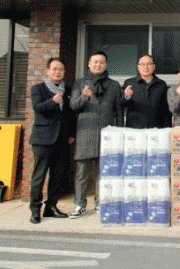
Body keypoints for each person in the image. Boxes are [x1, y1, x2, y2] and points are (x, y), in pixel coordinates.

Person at [69, 51, 122, 218]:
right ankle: (79, 204)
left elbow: (118, 110)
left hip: (107, 133)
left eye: (102, 62)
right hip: (86, 132)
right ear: (89, 64)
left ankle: (100, 202)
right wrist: (84, 98)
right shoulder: (79, 83)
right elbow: (73, 106)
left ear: (106, 65)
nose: (98, 64)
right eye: (95, 62)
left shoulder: (113, 85)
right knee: (82, 172)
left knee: (104, 171)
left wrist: (118, 131)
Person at [29, 58, 75, 224]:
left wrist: (71, 133)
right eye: (54, 69)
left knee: (58, 175)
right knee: (39, 176)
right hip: (43, 139)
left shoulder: (68, 90)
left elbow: (70, 114)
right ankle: (35, 209)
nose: (57, 72)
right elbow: (38, 108)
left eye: (60, 69)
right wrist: (52, 102)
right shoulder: (38, 88)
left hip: (62, 139)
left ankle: (51, 207)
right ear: (47, 71)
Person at [121, 55, 171, 128]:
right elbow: (122, 104)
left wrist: (167, 128)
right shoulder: (129, 83)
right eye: (142, 64)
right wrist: (127, 97)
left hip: (156, 128)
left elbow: (166, 110)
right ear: (138, 67)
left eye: (149, 64)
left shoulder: (161, 84)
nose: (145, 67)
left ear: (154, 66)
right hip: (134, 127)